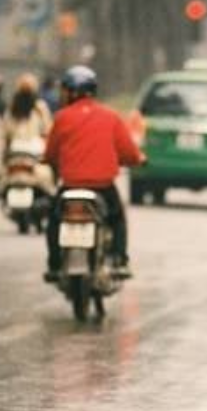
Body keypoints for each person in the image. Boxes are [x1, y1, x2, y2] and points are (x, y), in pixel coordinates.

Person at [44, 65, 144, 282]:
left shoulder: (61, 118)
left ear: (71, 92)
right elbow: (129, 152)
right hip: (103, 187)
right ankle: (119, 261)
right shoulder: (111, 117)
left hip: (70, 186)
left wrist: (49, 161)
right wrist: (138, 160)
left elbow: (50, 153)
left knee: (54, 220)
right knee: (117, 218)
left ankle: (53, 264)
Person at [2, 73, 55, 195]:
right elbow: (48, 130)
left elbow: (5, 133)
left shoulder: (12, 108)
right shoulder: (40, 108)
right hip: (33, 152)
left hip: (18, 152)